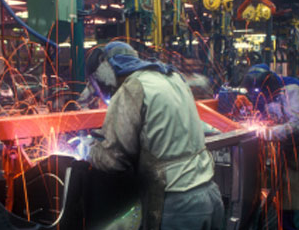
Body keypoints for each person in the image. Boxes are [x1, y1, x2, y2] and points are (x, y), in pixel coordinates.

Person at [86, 41, 224, 230]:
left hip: (178, 204)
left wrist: (87, 149)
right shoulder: (172, 76)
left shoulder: (131, 87)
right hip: (210, 195)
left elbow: (113, 160)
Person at [240, 64, 299, 230]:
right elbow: (267, 116)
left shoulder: (292, 90)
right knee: (284, 201)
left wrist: (270, 132)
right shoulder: (266, 93)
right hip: (286, 152)